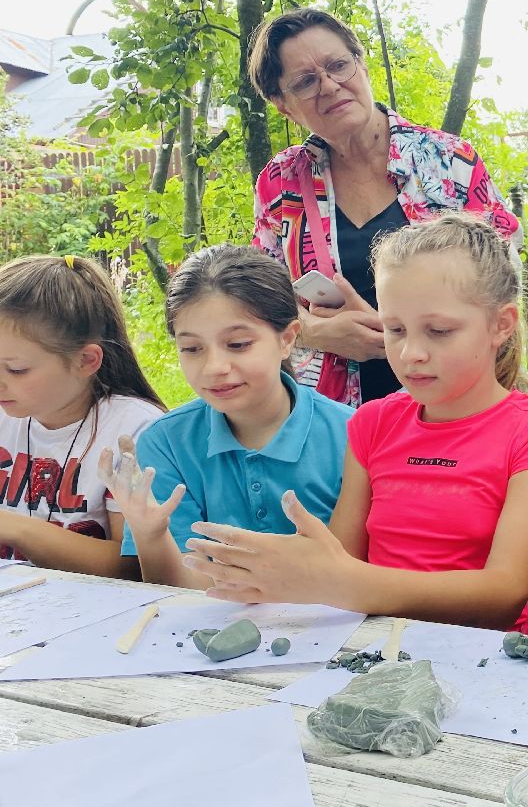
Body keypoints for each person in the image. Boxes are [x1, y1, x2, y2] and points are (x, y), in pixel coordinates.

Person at [182, 214, 528, 629]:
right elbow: (341, 557)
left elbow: (503, 594)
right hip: (372, 646)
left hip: (485, 654)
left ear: (501, 325)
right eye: (395, 329)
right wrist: (276, 571)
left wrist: (339, 582)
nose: (411, 353)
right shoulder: (374, 421)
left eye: (439, 331)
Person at [249, 8, 520, 407]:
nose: (329, 86)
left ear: (363, 65)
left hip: (454, 406)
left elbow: (504, 280)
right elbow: (260, 298)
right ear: (282, 104)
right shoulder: (282, 181)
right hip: (334, 420)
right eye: (306, 82)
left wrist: (394, 331)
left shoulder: (448, 161)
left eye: (339, 65)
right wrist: (312, 331)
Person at [99, 245, 352, 589]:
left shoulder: (351, 435)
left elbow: (357, 578)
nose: (214, 368)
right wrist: (150, 536)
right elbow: (181, 591)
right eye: (191, 349)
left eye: (237, 344)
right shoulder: (166, 443)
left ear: (287, 339)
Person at [0, 254, 165, 576]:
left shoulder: (134, 431)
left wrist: (17, 529)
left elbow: (132, 566)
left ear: (86, 361)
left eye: (16, 369)